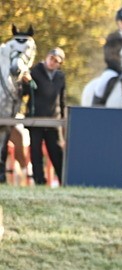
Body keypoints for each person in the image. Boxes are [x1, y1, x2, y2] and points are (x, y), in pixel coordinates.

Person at [22, 47, 66, 186]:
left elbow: (62, 99)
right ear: (47, 57)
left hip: (54, 120)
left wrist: (63, 120)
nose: (53, 62)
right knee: (36, 151)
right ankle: (39, 181)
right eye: (51, 59)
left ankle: (63, 180)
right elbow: (25, 92)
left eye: (56, 61)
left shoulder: (60, 76)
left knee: (56, 151)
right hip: (36, 118)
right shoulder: (35, 71)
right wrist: (26, 82)